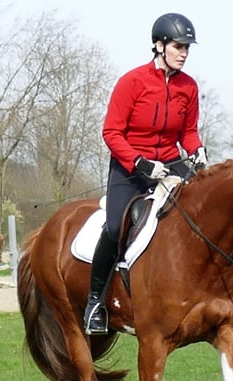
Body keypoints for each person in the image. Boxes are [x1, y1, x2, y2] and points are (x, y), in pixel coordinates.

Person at [83, 12, 208, 335]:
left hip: (170, 164)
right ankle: (95, 301)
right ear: (159, 45)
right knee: (114, 228)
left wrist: (197, 150)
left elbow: (188, 132)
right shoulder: (132, 82)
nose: (183, 53)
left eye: (187, 48)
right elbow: (111, 133)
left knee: (205, 211)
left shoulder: (188, 87)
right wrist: (138, 162)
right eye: (178, 46)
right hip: (129, 169)